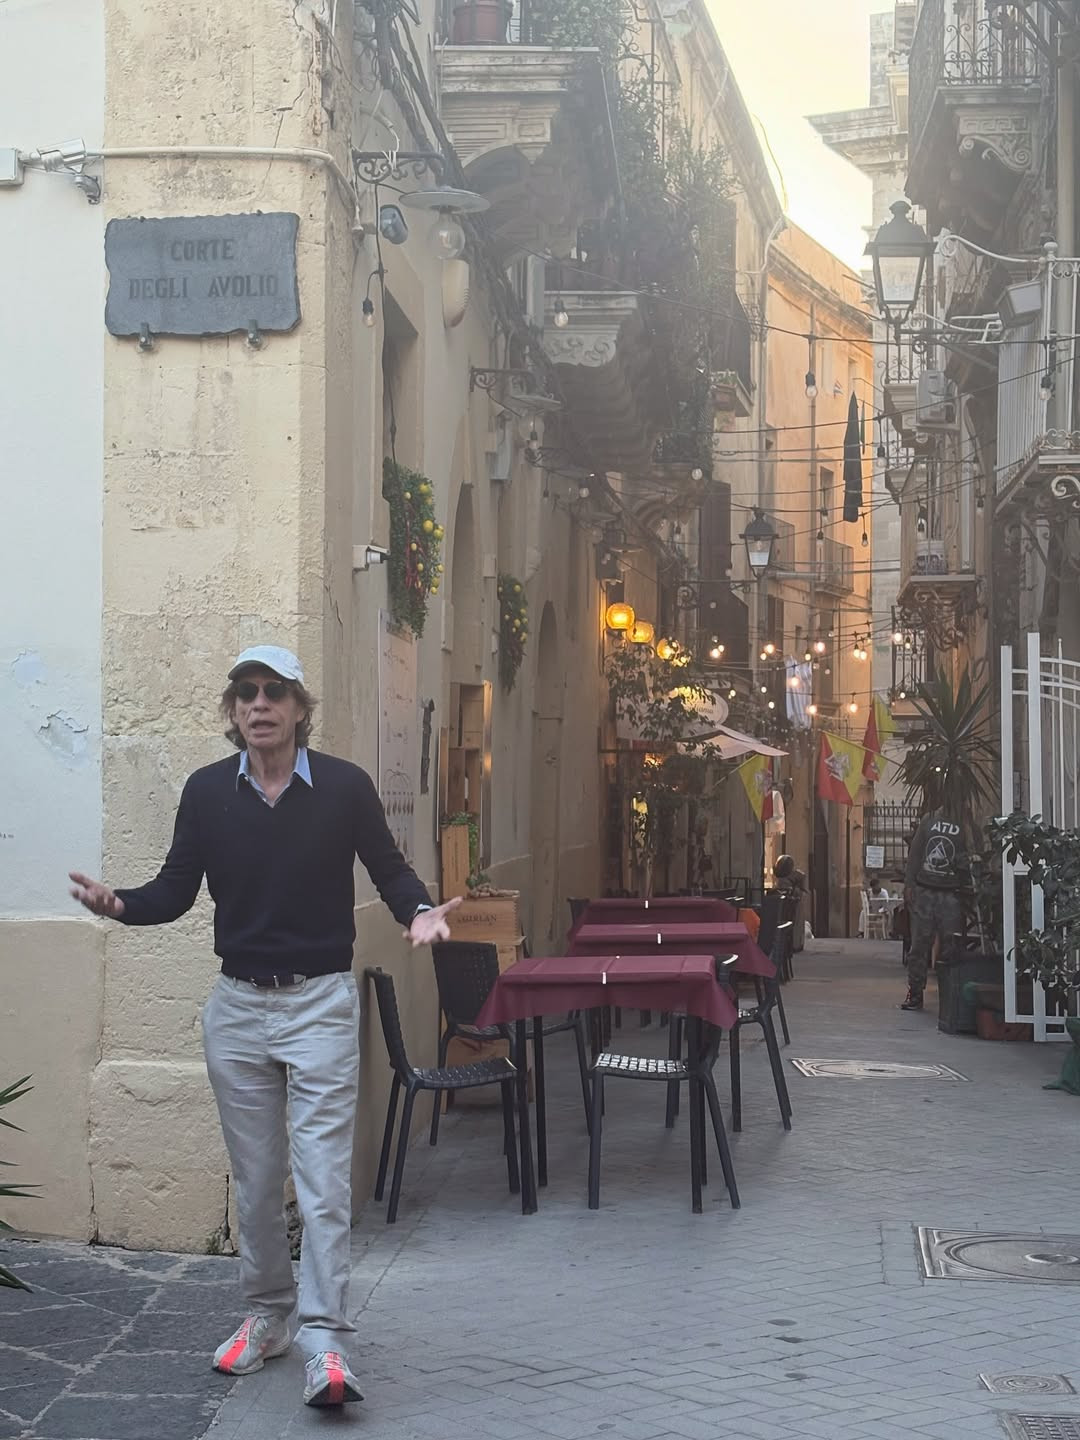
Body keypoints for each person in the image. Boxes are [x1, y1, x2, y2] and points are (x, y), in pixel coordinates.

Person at [69, 645, 460, 1409]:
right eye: (245, 692)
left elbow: (389, 868)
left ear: (299, 708)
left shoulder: (343, 787)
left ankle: (327, 1342)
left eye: (274, 691)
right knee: (254, 1185)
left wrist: (417, 910)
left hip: (319, 1005)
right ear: (232, 710)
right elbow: (175, 891)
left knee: (322, 1183)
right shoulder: (207, 792)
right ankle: (268, 1317)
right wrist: (121, 905)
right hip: (239, 1009)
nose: (259, 704)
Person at [900, 811, 967, 1011]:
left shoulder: (965, 821)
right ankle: (915, 992)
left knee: (952, 947)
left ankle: (950, 994)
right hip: (925, 891)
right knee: (919, 945)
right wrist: (909, 883)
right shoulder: (928, 820)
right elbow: (916, 853)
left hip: (951, 892)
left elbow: (972, 852)